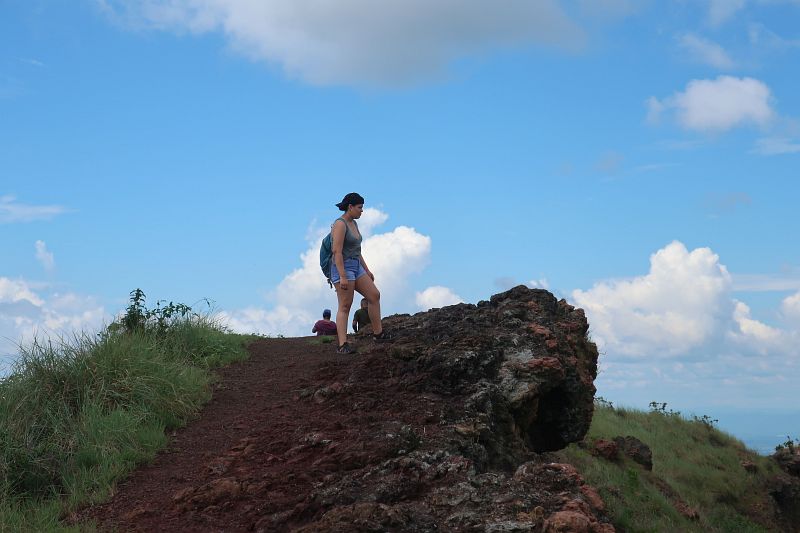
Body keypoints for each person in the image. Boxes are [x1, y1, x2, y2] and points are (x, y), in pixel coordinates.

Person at [330, 192, 392, 354]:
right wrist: (342, 275)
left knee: (374, 295)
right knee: (345, 305)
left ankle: (378, 334)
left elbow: (357, 250)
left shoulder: (354, 224)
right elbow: (336, 251)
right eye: (359, 207)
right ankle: (342, 344)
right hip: (342, 267)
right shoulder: (340, 224)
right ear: (350, 207)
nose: (362, 211)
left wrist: (367, 269)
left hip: (356, 266)